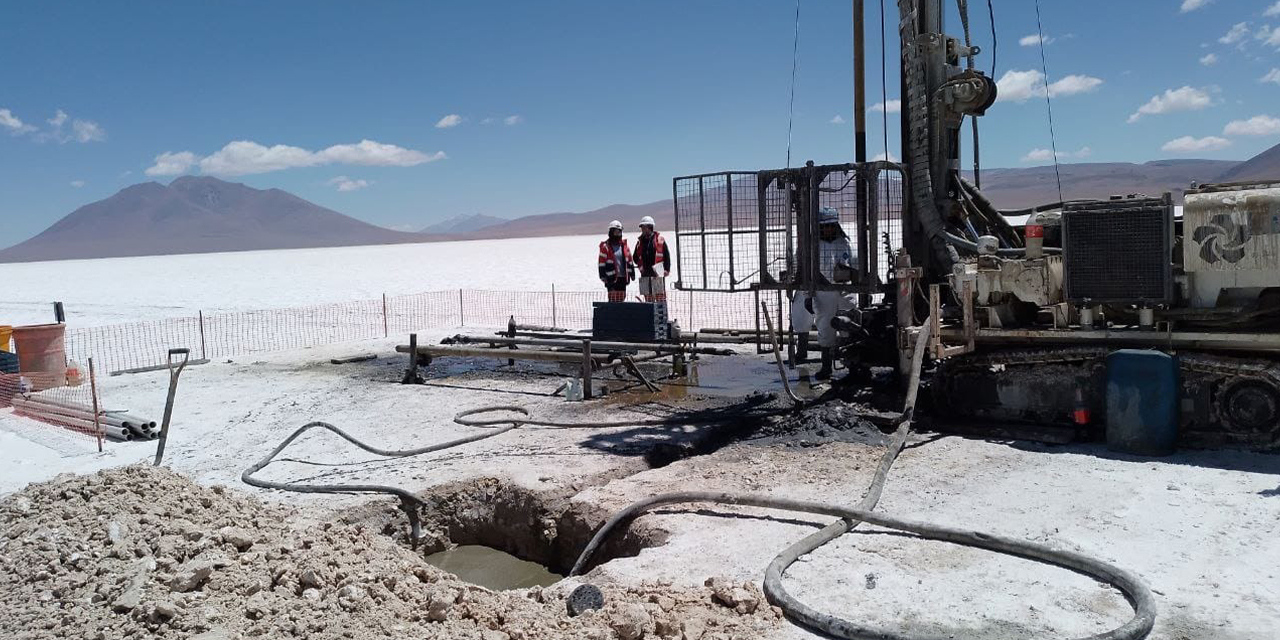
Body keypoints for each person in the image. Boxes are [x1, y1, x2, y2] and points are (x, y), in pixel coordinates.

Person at [812, 207, 856, 380]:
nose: (828, 229)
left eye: (831, 225)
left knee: (850, 325)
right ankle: (826, 366)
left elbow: (855, 264)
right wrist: (809, 295)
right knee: (825, 326)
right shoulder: (813, 246)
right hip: (823, 291)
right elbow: (806, 269)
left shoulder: (845, 243)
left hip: (845, 289)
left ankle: (853, 365)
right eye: (825, 226)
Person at [632, 215, 671, 304]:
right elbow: (635, 257)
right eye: (641, 227)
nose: (642, 229)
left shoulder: (659, 240)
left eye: (643, 227)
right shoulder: (639, 242)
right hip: (645, 273)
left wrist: (667, 269)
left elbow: (666, 256)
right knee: (648, 300)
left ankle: (662, 317)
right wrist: (640, 264)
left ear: (649, 227)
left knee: (660, 298)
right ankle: (650, 317)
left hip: (658, 273)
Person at [598, 220, 635, 302]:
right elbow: (601, 263)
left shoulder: (624, 246)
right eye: (615, 232)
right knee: (613, 300)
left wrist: (632, 273)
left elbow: (629, 260)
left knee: (621, 300)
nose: (617, 234)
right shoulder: (605, 247)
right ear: (611, 232)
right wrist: (603, 276)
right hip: (611, 279)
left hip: (623, 278)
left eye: (619, 232)